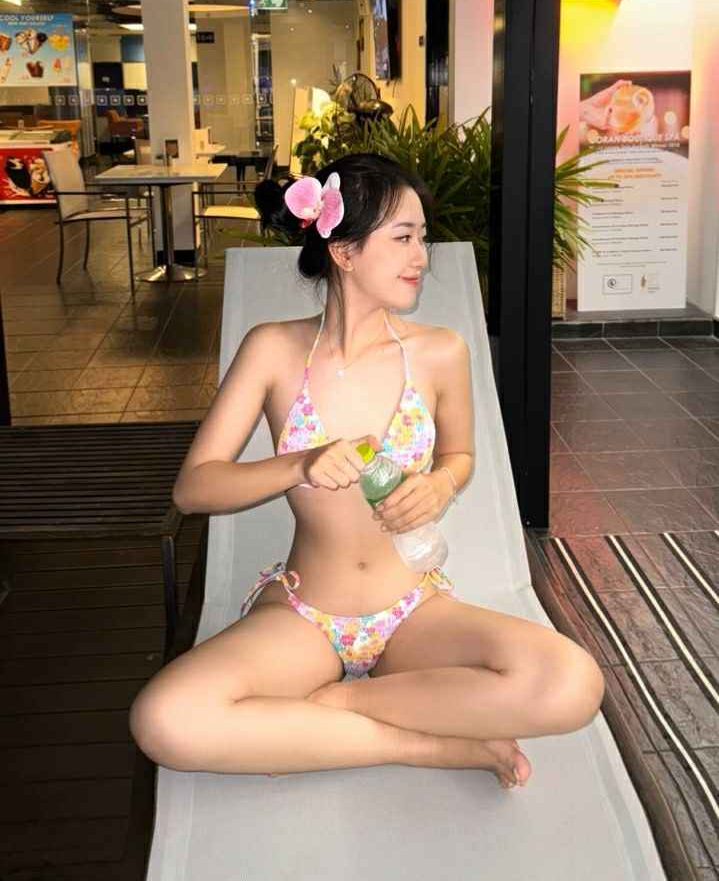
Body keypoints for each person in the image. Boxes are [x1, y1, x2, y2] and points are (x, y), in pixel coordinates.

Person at [129, 153, 604, 790]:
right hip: (304, 615)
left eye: (422, 238)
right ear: (344, 251)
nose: (421, 257)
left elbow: (459, 457)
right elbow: (194, 489)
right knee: (163, 720)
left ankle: (336, 706)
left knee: (572, 683)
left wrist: (440, 484)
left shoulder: (439, 352)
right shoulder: (272, 349)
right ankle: (431, 747)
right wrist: (297, 464)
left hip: (411, 611)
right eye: (403, 238)